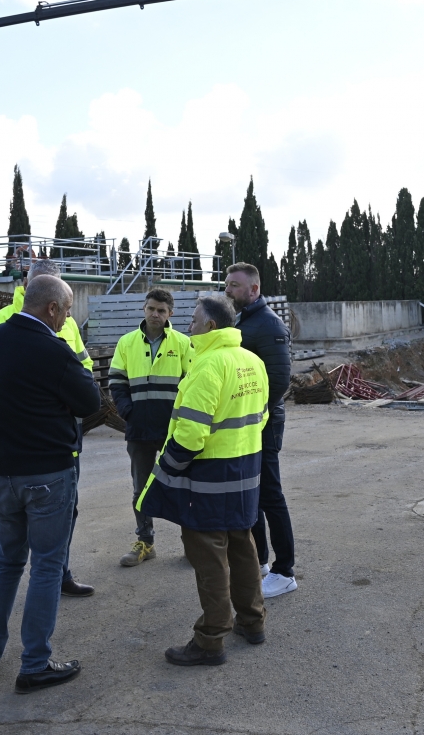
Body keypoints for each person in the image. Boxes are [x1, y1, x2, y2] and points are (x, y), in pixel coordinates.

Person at [0, 274, 101, 693]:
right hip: (47, 474)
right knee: (46, 565)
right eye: (66, 311)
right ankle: (35, 664)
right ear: (51, 308)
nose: (67, 320)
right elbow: (90, 402)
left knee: (6, 563)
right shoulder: (53, 349)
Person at [136, 294, 268, 666]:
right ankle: (253, 622)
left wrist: (167, 471)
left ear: (210, 326)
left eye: (194, 320)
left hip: (209, 479)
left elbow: (191, 435)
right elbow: (261, 417)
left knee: (209, 560)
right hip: (244, 473)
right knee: (243, 546)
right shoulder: (251, 361)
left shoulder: (208, 365)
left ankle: (211, 641)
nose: (188, 325)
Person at [223, 262, 296, 598]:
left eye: (234, 286)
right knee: (252, 494)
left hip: (263, 424)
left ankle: (284, 571)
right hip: (248, 424)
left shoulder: (269, 325)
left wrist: (250, 410)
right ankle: (261, 561)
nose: (228, 291)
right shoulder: (243, 321)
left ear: (254, 289)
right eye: (226, 285)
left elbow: (278, 381)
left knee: (270, 495)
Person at [108, 287, 194, 567]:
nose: (155, 314)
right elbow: (117, 381)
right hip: (139, 429)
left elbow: (193, 383)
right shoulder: (127, 342)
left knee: (183, 486)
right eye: (151, 309)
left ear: (171, 313)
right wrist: (127, 411)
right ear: (144, 309)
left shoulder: (183, 343)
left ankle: (192, 545)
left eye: (161, 310)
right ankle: (145, 542)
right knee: (141, 489)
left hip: (174, 430)